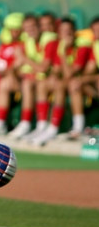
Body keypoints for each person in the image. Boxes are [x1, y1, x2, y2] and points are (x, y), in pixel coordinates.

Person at [0, 14, 58, 139]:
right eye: (27, 28)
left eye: (33, 26)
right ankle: (0, 122)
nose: (31, 30)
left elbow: (43, 69)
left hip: (48, 81)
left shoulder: (50, 40)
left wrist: (25, 60)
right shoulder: (25, 42)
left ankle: (29, 124)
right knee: (4, 83)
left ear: (39, 27)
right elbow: (15, 65)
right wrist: (13, 74)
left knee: (27, 83)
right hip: (32, 79)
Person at [30, 17, 92, 145]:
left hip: (85, 85)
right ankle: (42, 126)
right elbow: (57, 70)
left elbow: (69, 73)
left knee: (69, 85)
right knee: (43, 84)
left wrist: (63, 52)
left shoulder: (82, 46)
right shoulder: (56, 44)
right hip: (66, 81)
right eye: (63, 30)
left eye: (69, 30)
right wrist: (53, 75)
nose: (66, 33)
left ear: (74, 31)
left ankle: (67, 128)